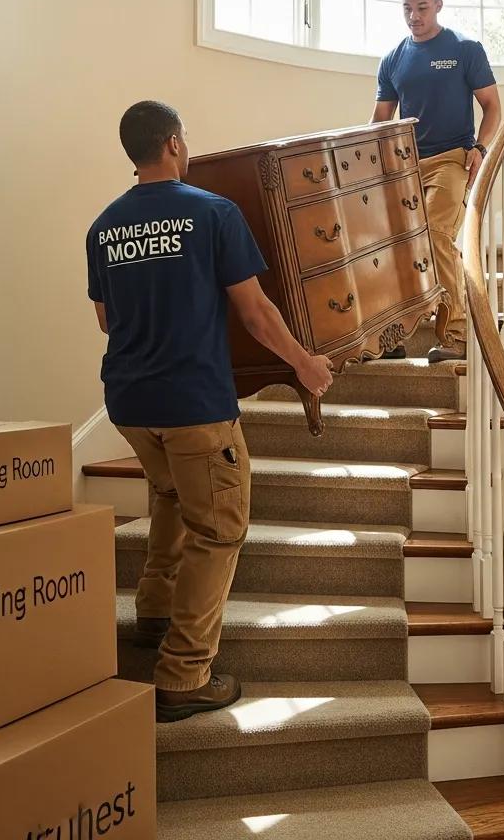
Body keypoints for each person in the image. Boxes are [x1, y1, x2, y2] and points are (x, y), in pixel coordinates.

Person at [86, 100, 333, 723]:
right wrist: (305, 364)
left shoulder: (103, 227)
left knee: (171, 496)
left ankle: (152, 613)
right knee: (219, 527)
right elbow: (255, 312)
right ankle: (184, 672)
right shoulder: (212, 213)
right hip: (192, 402)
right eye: (184, 139)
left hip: (129, 403)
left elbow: (106, 320)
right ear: (172, 144)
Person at [371, 0, 502, 363]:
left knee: (435, 235)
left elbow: (493, 107)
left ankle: (458, 335)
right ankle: (392, 332)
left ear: (439, 5)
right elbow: (380, 120)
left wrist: (479, 149)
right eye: (408, 8)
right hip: (406, 164)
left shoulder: (464, 50)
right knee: (393, 243)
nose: (415, 16)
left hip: (451, 160)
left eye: (423, 8)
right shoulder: (393, 59)